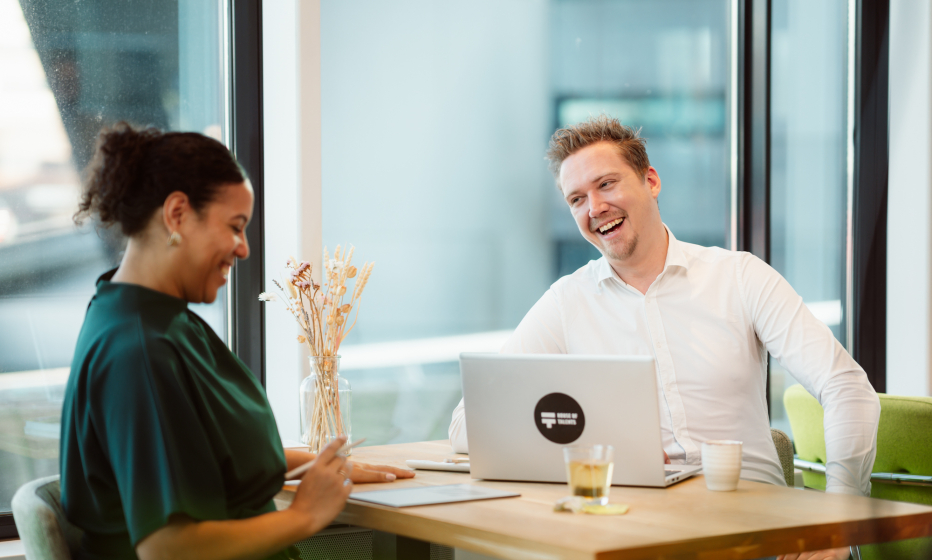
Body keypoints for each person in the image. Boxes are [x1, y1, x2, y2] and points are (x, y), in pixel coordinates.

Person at [448, 115, 879, 560]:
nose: (594, 208)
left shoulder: (739, 276)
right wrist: (597, 447)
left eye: (607, 184)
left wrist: (837, 524)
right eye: (577, 198)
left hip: (753, 533)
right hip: (636, 534)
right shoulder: (566, 302)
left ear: (650, 181)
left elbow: (846, 387)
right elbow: (468, 426)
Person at [62, 123, 414, 560]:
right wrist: (304, 515)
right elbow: (167, 548)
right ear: (177, 215)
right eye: (235, 226)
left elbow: (201, 446)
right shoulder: (141, 352)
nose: (244, 248)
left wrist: (313, 465)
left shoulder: (146, 318)